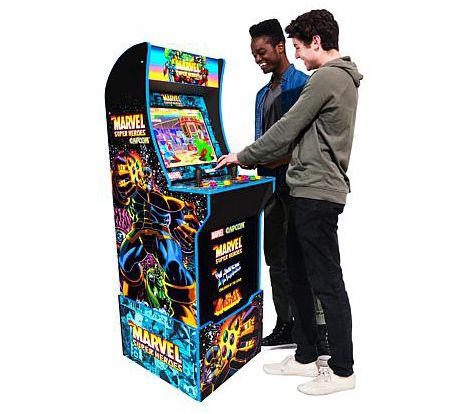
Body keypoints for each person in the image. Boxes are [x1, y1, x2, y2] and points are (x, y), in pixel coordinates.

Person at [216, 9, 362, 395]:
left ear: (316, 41)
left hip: (316, 193)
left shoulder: (326, 78)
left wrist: (242, 157)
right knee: (295, 270)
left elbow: (286, 129)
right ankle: (306, 355)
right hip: (303, 191)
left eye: (297, 46)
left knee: (326, 281)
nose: (296, 54)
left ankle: (342, 370)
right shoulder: (332, 78)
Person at [248, 18, 328, 350]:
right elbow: (262, 140)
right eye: (254, 54)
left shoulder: (304, 84)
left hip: (296, 183)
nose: (258, 59)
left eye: (262, 51)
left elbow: (304, 141)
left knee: (306, 258)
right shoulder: (261, 95)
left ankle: (318, 330)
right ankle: (286, 324)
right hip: (267, 184)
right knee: (276, 258)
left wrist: (269, 159)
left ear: (280, 46)